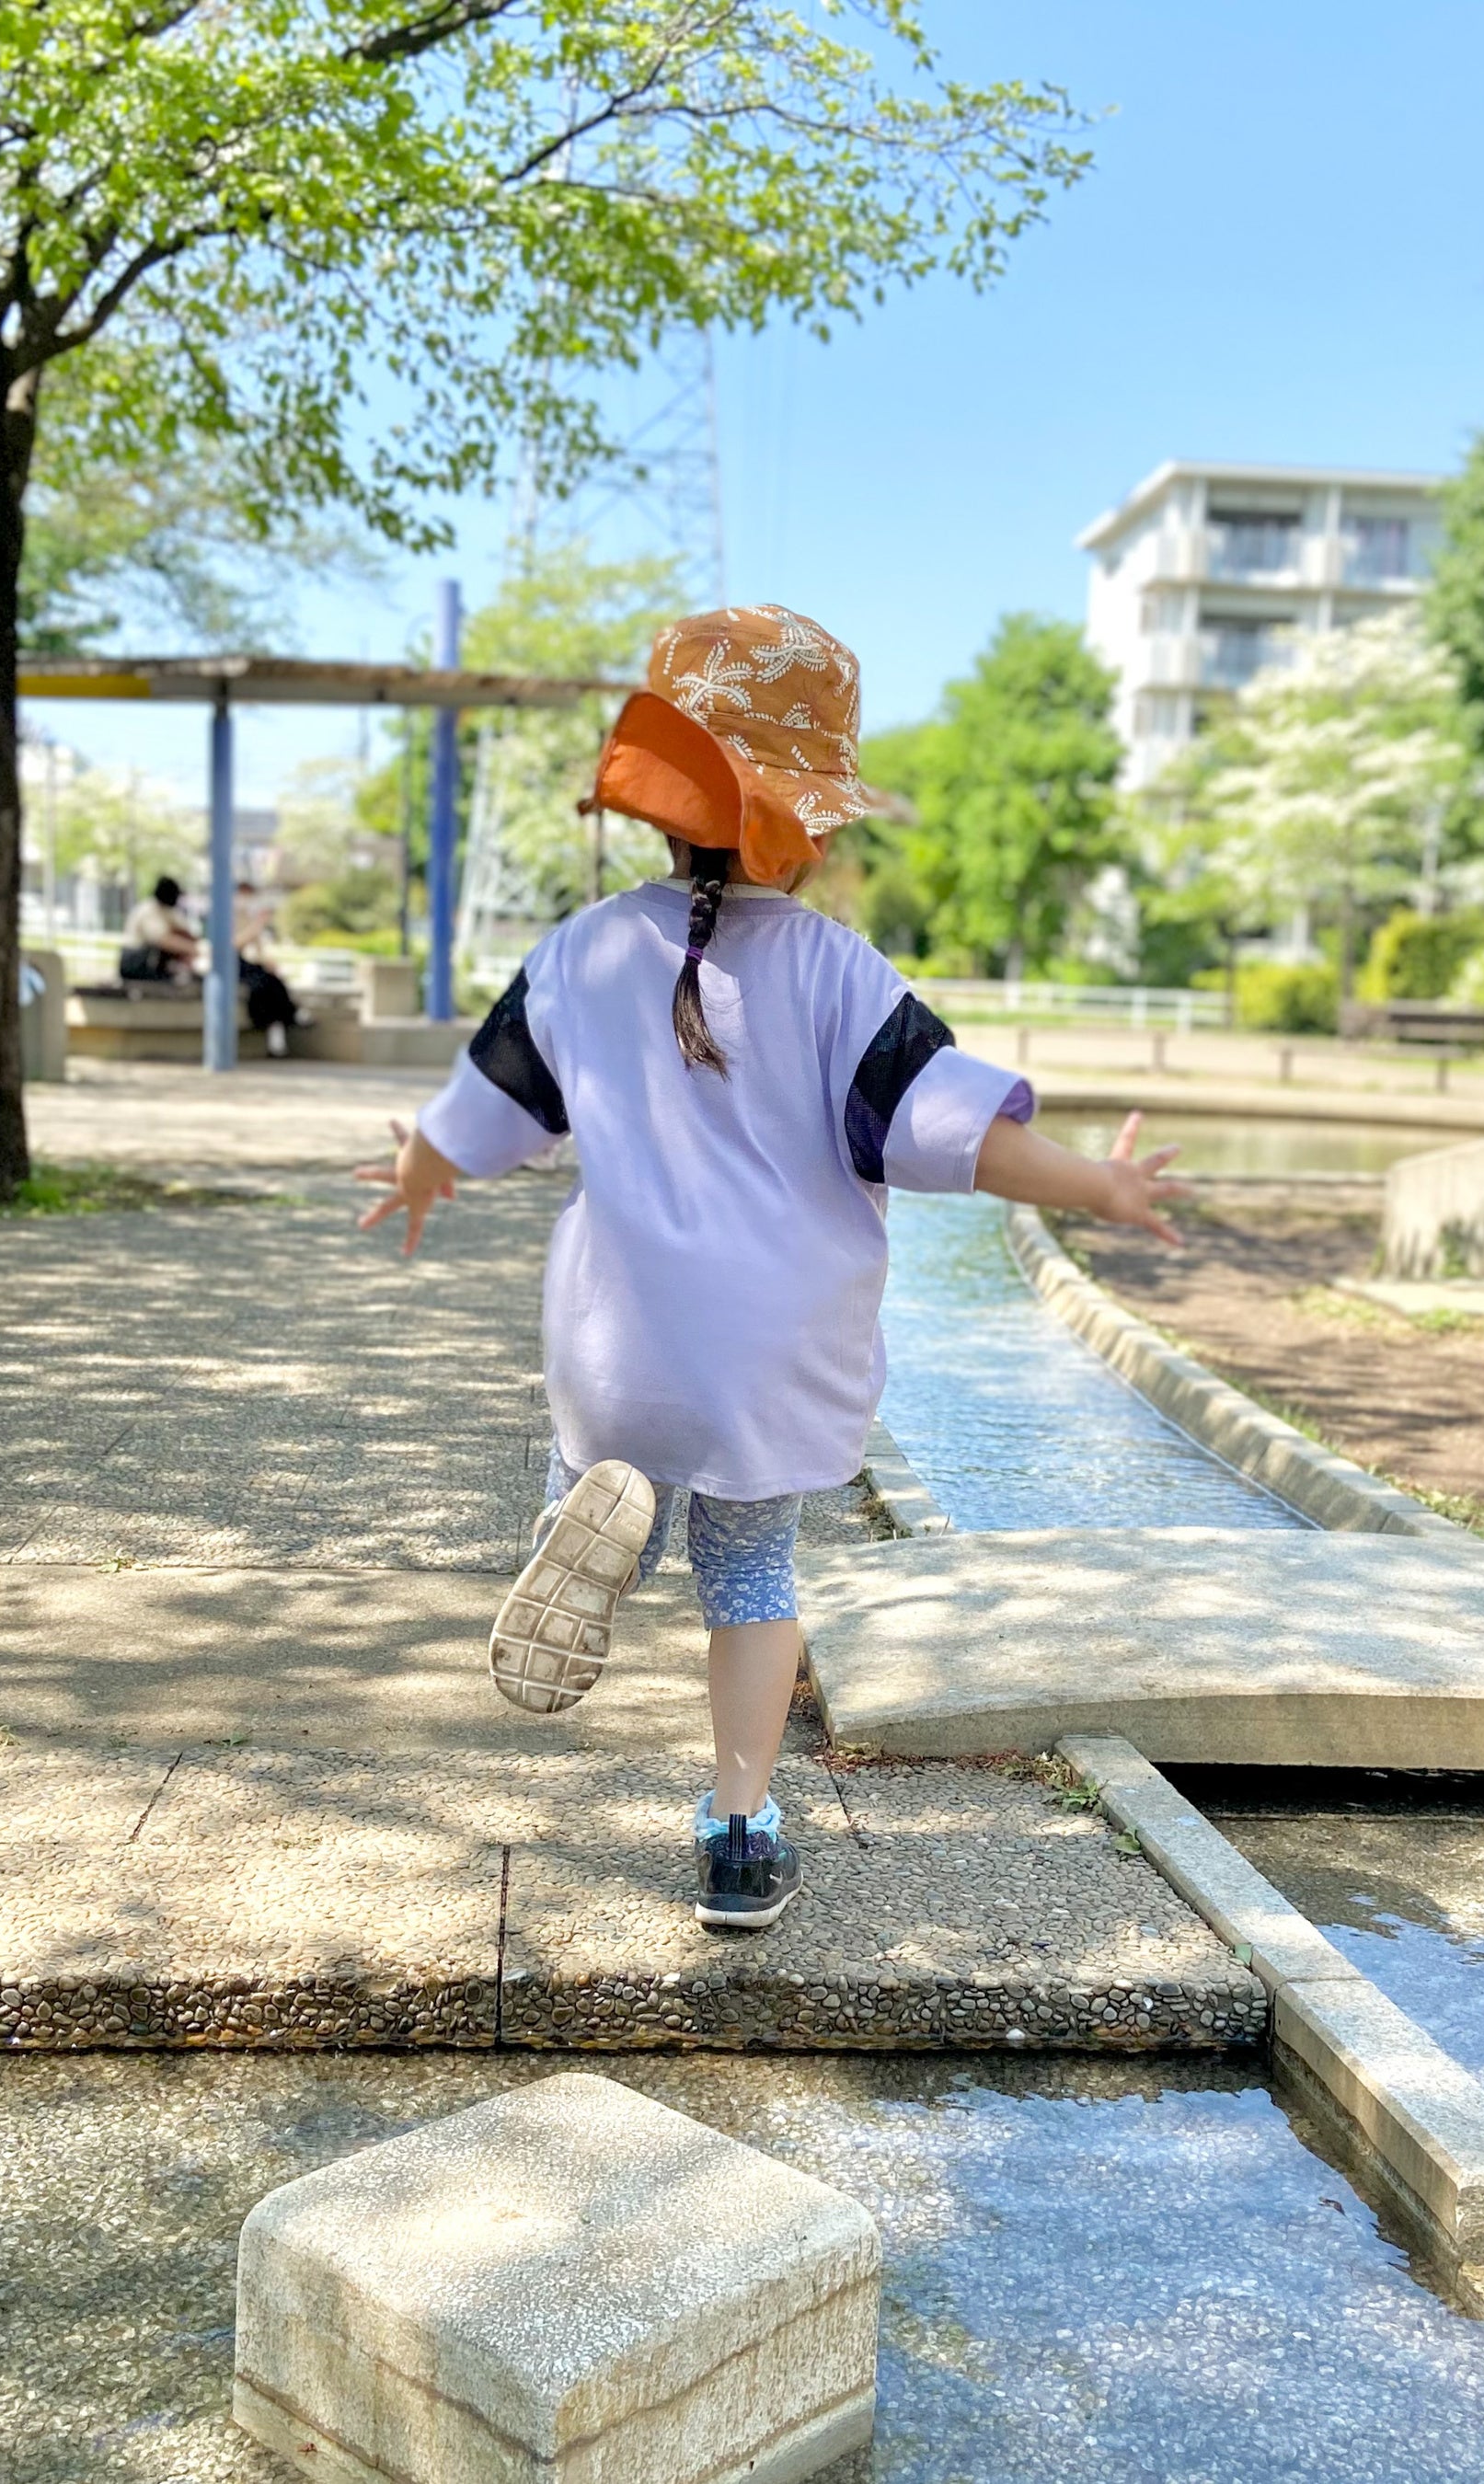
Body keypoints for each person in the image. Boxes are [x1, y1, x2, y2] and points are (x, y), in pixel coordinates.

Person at [354, 605, 1186, 1933]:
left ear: (660, 806)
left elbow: (491, 1105)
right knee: (750, 1580)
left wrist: (419, 1169)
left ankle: (581, 1521)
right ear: (805, 830)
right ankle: (739, 1833)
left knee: (605, 1452)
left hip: (619, 1342)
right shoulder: (840, 973)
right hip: (767, 1359)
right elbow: (952, 1131)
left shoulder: (581, 951)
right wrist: (1103, 1184)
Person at [233, 880, 309, 1057]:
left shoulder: (248, 919)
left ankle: (285, 1025)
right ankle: (292, 1014)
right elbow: (233, 945)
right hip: (230, 966)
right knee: (262, 985)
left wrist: (269, 962)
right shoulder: (227, 918)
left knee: (273, 982)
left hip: (246, 964)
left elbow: (258, 950)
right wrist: (256, 926)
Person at [119, 876, 200, 983]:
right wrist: (191, 949)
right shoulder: (148, 910)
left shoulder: (168, 911)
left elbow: (185, 931)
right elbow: (163, 940)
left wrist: (190, 946)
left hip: (148, 960)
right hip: (135, 961)